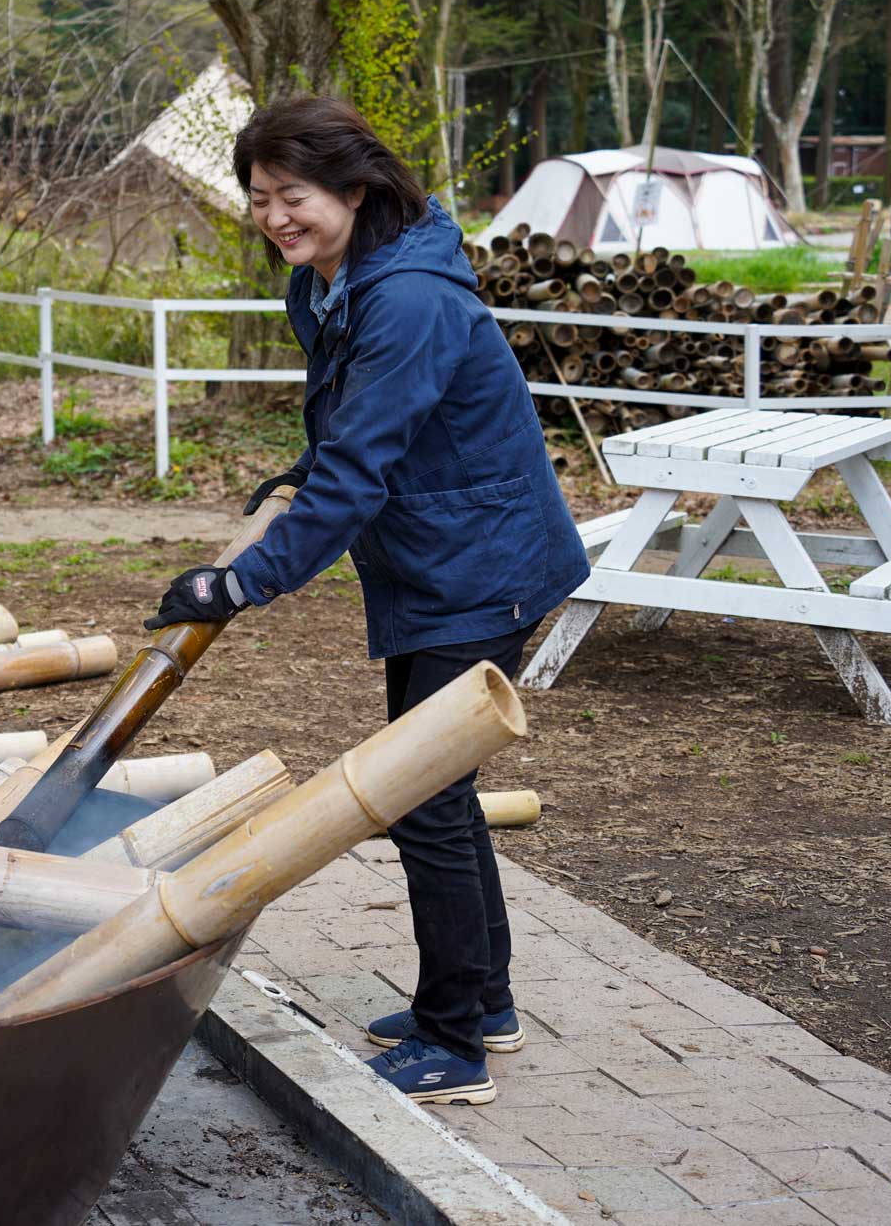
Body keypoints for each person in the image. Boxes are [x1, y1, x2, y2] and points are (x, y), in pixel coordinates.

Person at [143, 96, 590, 1106]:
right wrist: (279, 498)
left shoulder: (407, 300)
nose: (273, 217)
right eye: (257, 198)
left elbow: (358, 469)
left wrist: (242, 579)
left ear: (350, 188)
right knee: (439, 791)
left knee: (423, 797)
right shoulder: (333, 285)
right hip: (438, 558)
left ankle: (452, 1046)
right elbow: (341, 439)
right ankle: (483, 1001)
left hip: (481, 563)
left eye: (290, 196)